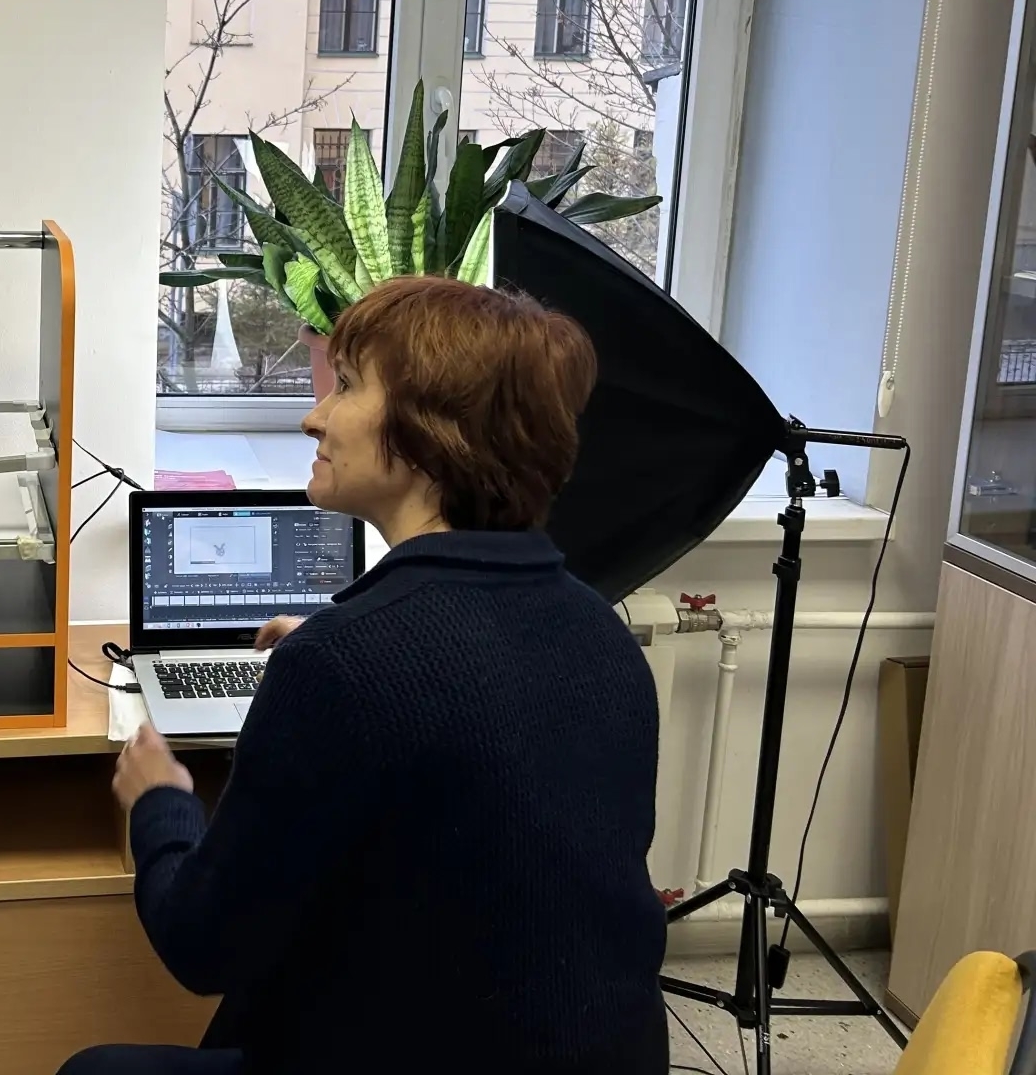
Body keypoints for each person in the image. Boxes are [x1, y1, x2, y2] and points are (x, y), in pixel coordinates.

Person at [65, 276, 667, 1075]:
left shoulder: (342, 666)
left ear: (430, 433)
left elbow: (201, 946)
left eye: (346, 385)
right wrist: (344, 645)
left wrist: (163, 800)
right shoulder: (600, 632)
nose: (314, 416)